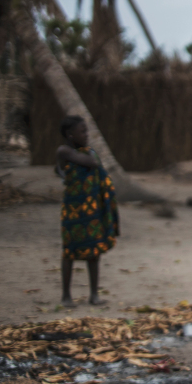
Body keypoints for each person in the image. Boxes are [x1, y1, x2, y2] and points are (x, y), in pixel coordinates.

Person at [56, 115, 119, 308]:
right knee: (69, 252)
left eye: (86, 131)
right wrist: (91, 156)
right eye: (82, 131)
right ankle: (66, 296)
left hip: (91, 210)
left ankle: (94, 294)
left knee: (94, 252)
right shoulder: (64, 151)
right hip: (73, 211)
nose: (86, 135)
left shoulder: (87, 152)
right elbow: (91, 163)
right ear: (70, 134)